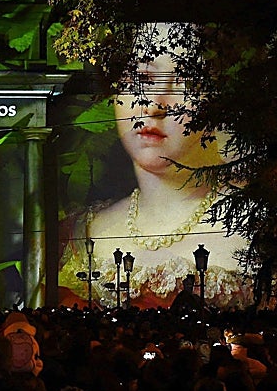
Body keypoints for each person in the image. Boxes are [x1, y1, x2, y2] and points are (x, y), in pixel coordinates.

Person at [60, 46, 250, 308]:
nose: (154, 105)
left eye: (186, 82)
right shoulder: (80, 232)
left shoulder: (257, 221)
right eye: (142, 79)